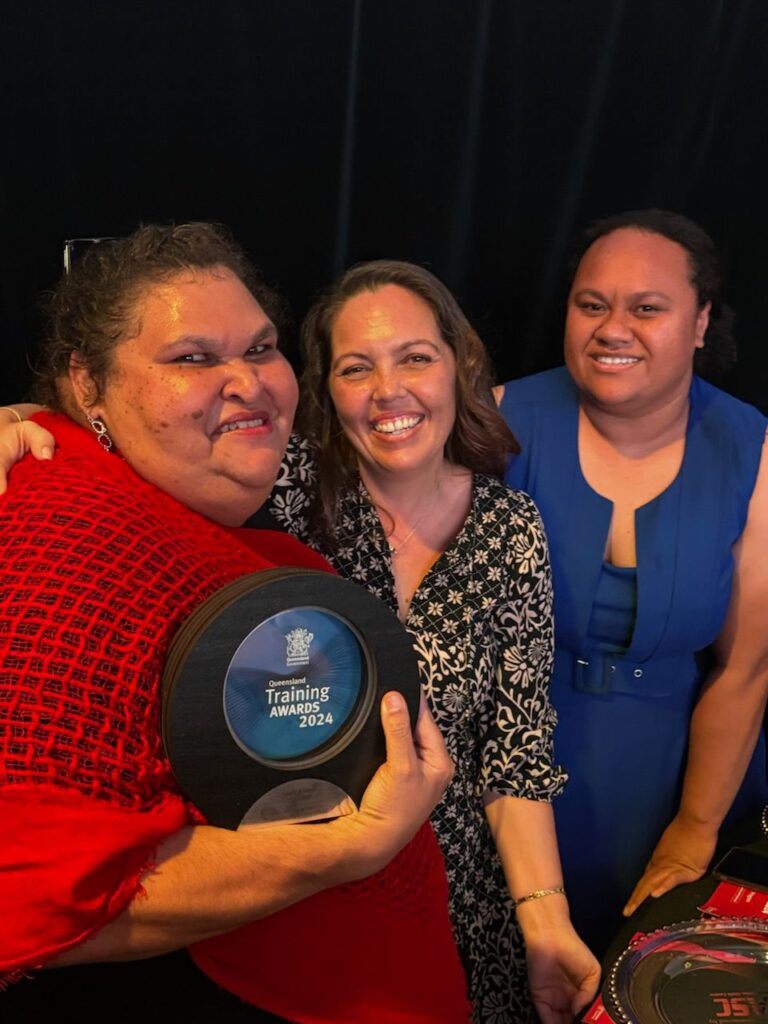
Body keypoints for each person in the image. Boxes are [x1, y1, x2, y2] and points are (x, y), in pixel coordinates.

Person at [0, 224, 472, 1023]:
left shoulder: (200, 506)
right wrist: (345, 849)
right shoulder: (61, 530)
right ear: (87, 383)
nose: (248, 382)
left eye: (260, 349)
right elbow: (31, 880)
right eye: (193, 358)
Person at [253, 261, 599, 1024]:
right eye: (356, 368)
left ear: (459, 364)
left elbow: (514, 756)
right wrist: (27, 424)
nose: (388, 391)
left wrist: (545, 923)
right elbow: (146, 451)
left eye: (414, 357)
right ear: (325, 388)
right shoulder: (274, 496)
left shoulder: (512, 532)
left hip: (460, 910)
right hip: (300, 901)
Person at [496, 208, 768, 955]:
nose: (612, 328)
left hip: (682, 783)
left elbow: (745, 668)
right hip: (514, 780)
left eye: (647, 308)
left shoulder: (753, 447)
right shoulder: (498, 419)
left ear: (701, 321)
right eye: (592, 305)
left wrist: (695, 829)